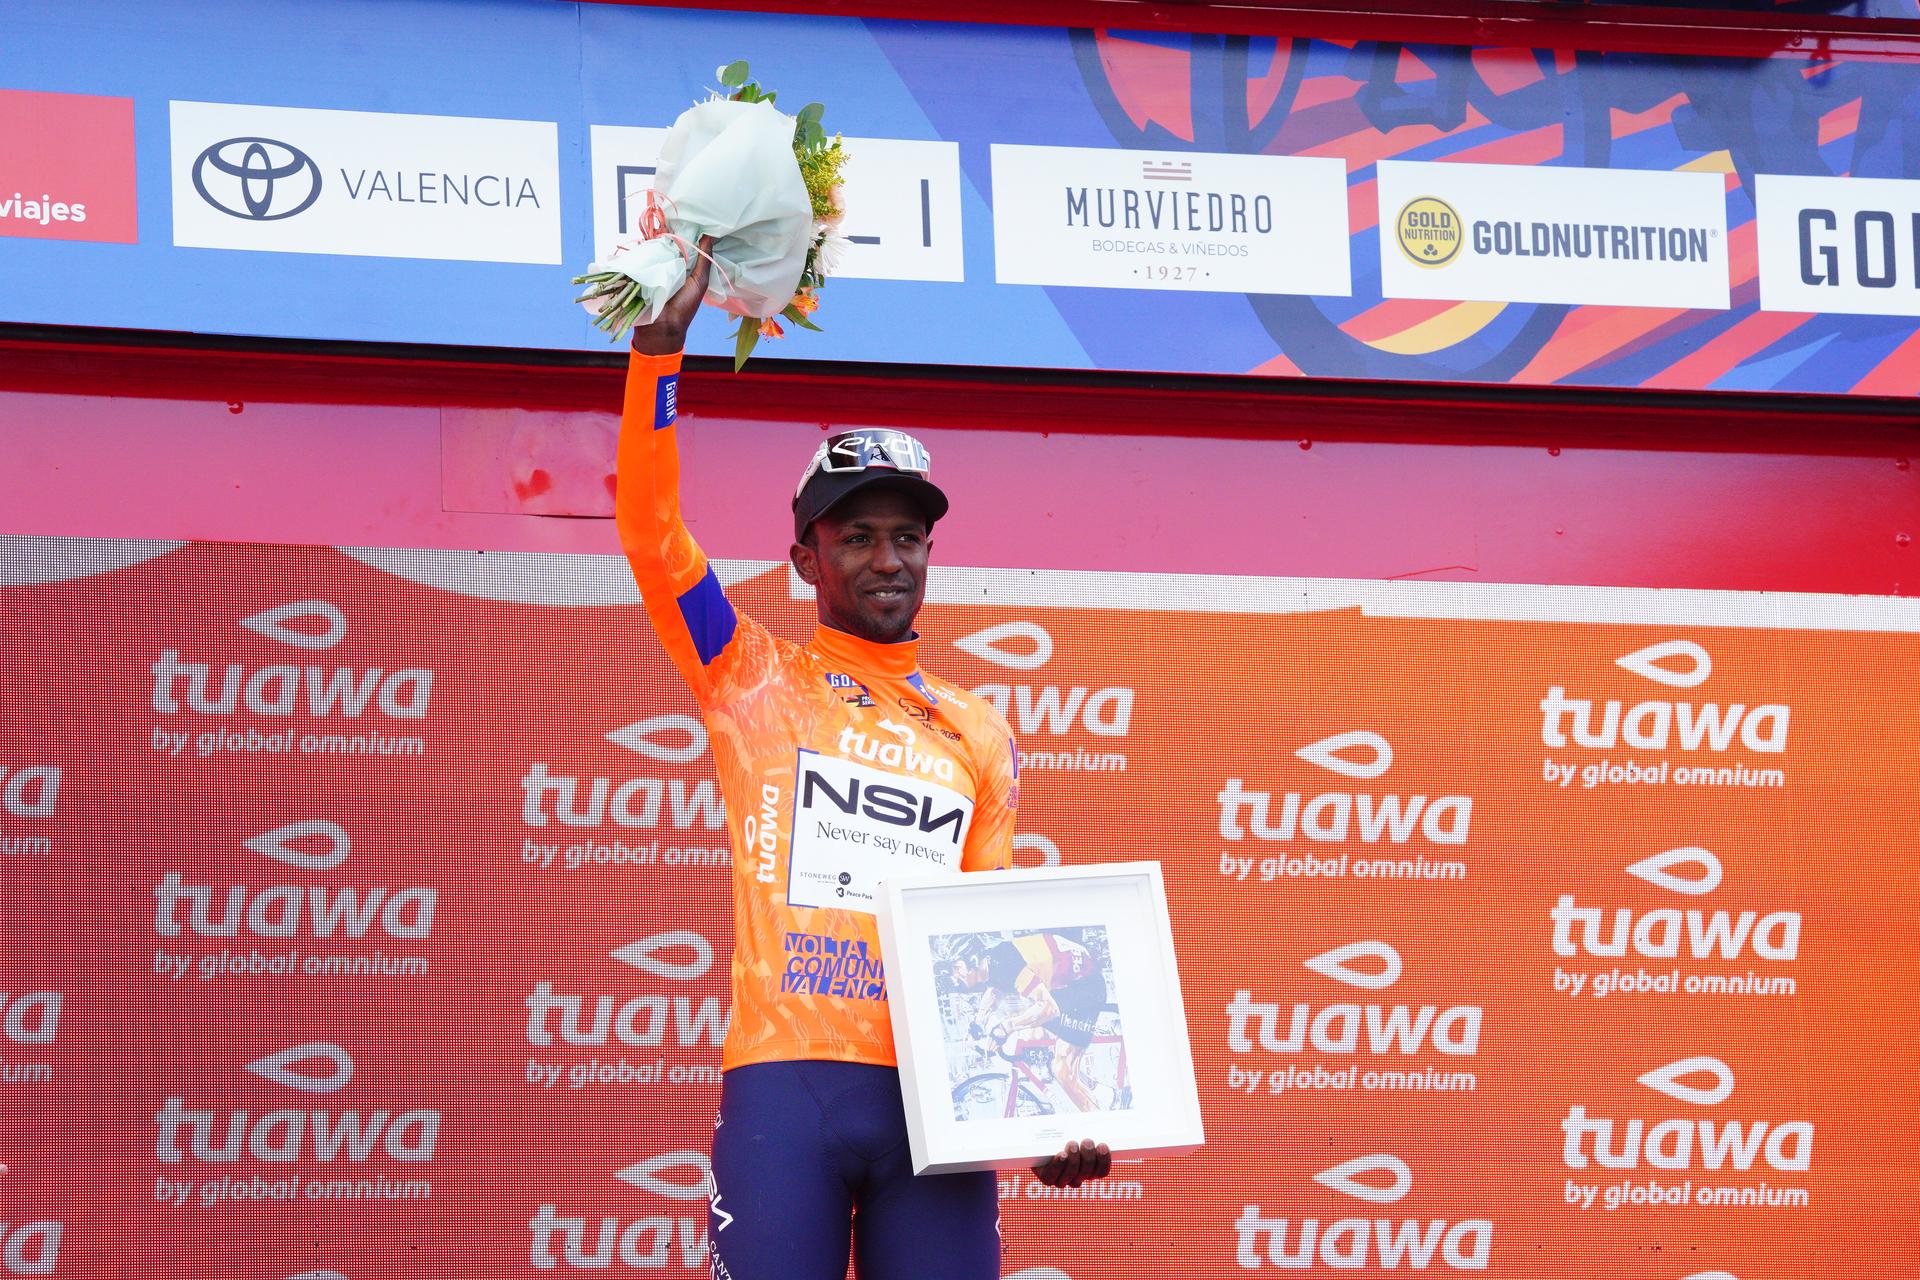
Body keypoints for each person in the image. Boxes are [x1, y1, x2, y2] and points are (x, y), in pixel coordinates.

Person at [614, 239, 1110, 1280]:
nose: (888, 559)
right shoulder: (746, 672)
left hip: (937, 1106)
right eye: (857, 536)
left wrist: (1064, 1102)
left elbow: (1002, 944)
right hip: (783, 1087)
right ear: (806, 555)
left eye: (907, 537)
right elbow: (653, 532)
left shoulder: (977, 729)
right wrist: (659, 357)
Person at [950, 932, 1109, 1113]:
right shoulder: (994, 962)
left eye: (957, 967)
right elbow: (994, 991)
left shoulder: (1006, 965)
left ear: (972, 959)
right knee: (1033, 1028)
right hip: (1065, 981)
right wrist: (978, 1022)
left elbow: (1049, 1009)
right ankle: (1100, 1089)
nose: (955, 975)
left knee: (1061, 1068)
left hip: (1085, 986)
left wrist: (1005, 1028)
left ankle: (1096, 1115)